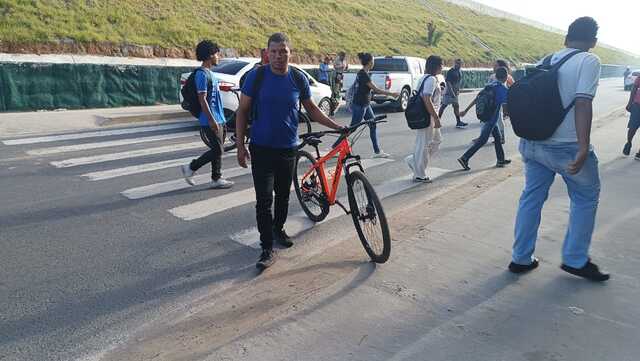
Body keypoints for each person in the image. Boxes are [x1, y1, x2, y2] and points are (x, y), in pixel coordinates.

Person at [510, 17, 609, 281]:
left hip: (532, 143)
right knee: (585, 198)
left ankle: (520, 258)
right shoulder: (589, 61)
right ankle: (575, 259)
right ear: (593, 41)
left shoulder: (548, 59)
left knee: (531, 197)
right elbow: (582, 104)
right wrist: (584, 147)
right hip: (565, 147)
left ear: (567, 37)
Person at [235, 33, 344, 270]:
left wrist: (336, 126)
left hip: (288, 149)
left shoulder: (297, 77)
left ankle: (278, 229)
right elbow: (242, 111)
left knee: (283, 195)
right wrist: (241, 147)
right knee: (264, 200)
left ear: (289, 53)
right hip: (261, 148)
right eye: (273, 51)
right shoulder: (256, 76)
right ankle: (266, 247)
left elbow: (312, 109)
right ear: (267, 53)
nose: (278, 56)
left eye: (282, 51)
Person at [181, 40, 234, 189]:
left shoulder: (211, 73)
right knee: (218, 150)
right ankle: (191, 167)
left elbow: (213, 94)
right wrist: (211, 119)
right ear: (210, 55)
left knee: (218, 149)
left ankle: (216, 178)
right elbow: (202, 98)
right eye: (217, 54)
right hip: (209, 119)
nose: (219, 57)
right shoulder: (202, 75)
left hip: (219, 117)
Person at [344, 52, 399, 158]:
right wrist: (392, 94)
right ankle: (335, 147)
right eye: (373, 60)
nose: (374, 62)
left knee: (373, 125)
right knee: (352, 128)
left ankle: (377, 152)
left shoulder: (363, 73)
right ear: (370, 62)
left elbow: (369, 89)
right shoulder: (363, 74)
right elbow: (376, 90)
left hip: (365, 104)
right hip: (360, 105)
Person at [457, 67, 511, 171]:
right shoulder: (502, 89)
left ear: (496, 76)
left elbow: (477, 98)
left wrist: (466, 110)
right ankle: (465, 158)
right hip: (491, 119)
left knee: (498, 138)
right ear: (506, 77)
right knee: (482, 140)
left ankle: (500, 160)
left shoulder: (490, 86)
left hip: (487, 116)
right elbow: (507, 106)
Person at [404, 55, 444, 183]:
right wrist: (435, 117)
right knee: (424, 144)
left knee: (435, 141)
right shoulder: (431, 79)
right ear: (436, 66)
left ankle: (413, 161)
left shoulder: (425, 78)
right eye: (441, 65)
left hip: (428, 115)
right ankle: (419, 174)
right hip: (428, 116)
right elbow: (426, 98)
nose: (442, 67)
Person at [438, 58, 468, 129]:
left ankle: (458, 122)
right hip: (449, 93)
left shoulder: (459, 71)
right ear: (454, 63)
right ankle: (437, 121)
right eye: (457, 63)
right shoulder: (451, 71)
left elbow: (458, 82)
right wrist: (451, 93)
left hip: (455, 92)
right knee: (443, 106)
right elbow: (448, 82)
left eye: (460, 63)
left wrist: (458, 90)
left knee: (456, 106)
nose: (459, 65)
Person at [623, 70, 640, 159]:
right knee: (632, 127)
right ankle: (628, 142)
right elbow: (634, 89)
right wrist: (630, 103)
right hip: (637, 105)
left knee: (633, 127)